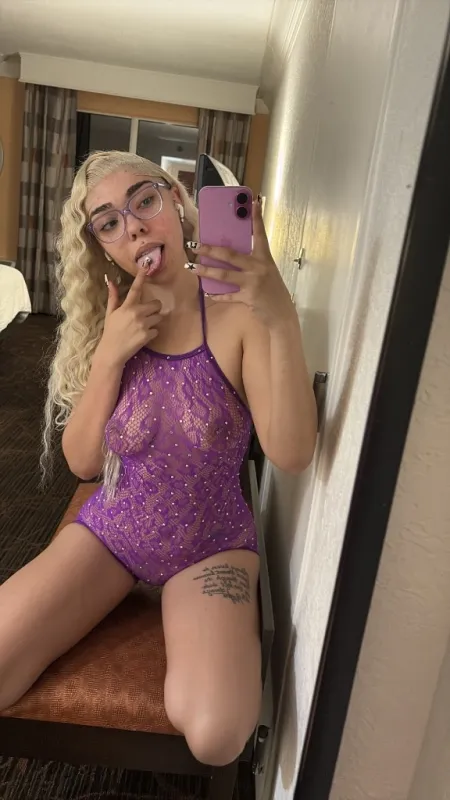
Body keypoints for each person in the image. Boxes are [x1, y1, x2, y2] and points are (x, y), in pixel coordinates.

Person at [0, 151, 317, 766]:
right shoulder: (112, 320)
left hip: (211, 542)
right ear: (101, 245)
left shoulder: (240, 314)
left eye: (144, 201)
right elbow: (83, 464)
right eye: (109, 222)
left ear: (175, 198)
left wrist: (280, 315)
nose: (135, 227)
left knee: (217, 734)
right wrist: (109, 356)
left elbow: (293, 453)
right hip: (115, 530)